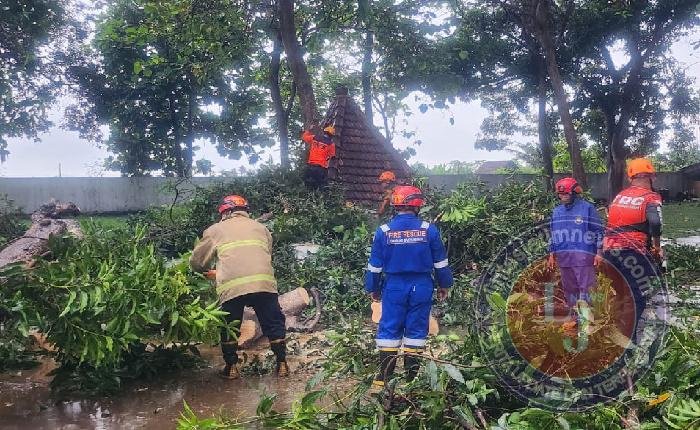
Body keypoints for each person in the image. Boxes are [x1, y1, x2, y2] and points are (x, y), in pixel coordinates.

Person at [364, 185, 454, 392]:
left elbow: (374, 266)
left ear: (395, 204)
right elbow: (441, 263)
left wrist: (373, 288)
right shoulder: (429, 230)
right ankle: (411, 382)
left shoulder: (384, 231)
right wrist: (444, 285)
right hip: (421, 286)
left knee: (389, 327)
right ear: (417, 205)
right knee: (416, 330)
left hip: (394, 287)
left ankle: (383, 379)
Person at [190, 195, 288, 379]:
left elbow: (197, 262)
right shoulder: (261, 228)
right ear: (245, 211)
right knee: (273, 322)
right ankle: (282, 364)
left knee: (229, 325)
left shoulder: (215, 230)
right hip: (263, 282)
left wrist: (209, 271)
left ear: (226, 212)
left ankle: (231, 368)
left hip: (232, 286)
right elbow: (265, 253)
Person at [602, 158, 664, 338]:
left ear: (630, 178)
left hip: (609, 252)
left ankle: (611, 333)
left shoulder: (619, 196)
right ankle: (628, 341)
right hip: (632, 252)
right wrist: (657, 247)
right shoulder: (651, 197)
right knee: (636, 297)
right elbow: (655, 223)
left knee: (619, 294)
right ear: (652, 176)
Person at [547, 177, 604, 315]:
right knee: (569, 289)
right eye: (560, 194)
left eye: (565, 194)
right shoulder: (557, 211)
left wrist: (599, 252)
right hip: (564, 257)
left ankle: (589, 319)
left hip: (583, 256)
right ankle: (574, 317)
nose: (562, 197)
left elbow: (598, 230)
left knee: (587, 288)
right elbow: (553, 233)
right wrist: (551, 254)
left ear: (574, 193)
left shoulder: (587, 208)